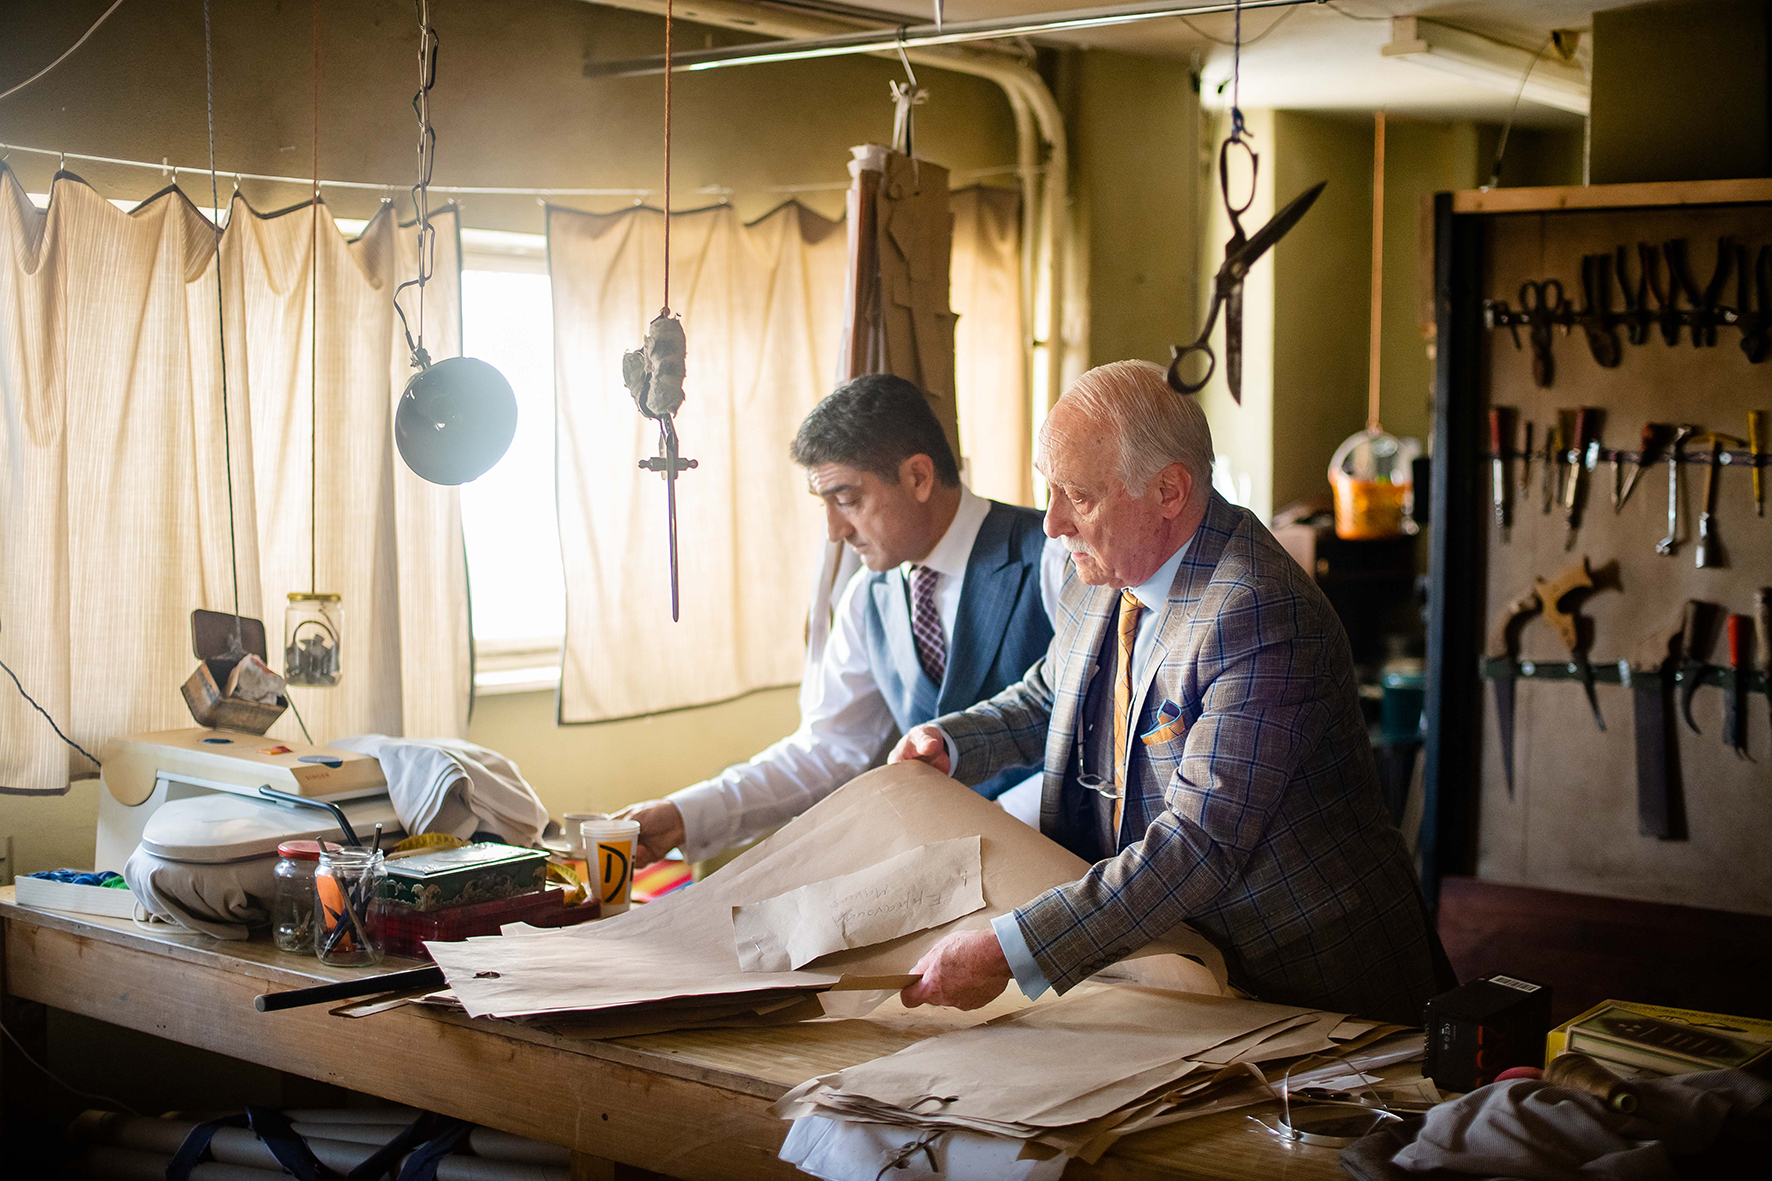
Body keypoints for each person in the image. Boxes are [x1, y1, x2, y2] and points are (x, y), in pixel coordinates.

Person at [890, 359, 1442, 1026]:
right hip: (1187, 967)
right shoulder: (1097, 566)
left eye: (1080, 497)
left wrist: (1007, 951)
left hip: (1316, 982)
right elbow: (1050, 696)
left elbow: (1196, 845)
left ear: (1169, 492)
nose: (1052, 524)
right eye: (1050, 491)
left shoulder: (1258, 612)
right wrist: (951, 741)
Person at [620, 374, 1065, 868]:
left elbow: (1100, 739)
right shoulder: (867, 598)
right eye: (824, 505)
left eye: (847, 499)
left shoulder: (1054, 558)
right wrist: (684, 814)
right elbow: (829, 750)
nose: (834, 531)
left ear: (918, 477)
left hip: (1060, 861)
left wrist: (999, 825)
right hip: (944, 867)